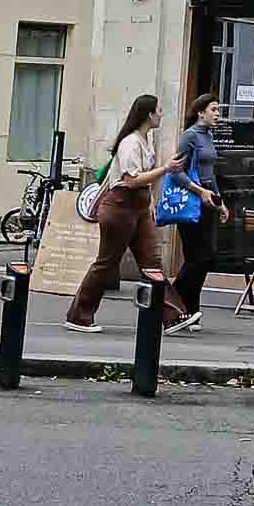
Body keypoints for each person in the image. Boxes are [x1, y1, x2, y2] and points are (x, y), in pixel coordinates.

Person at [63, 93, 187, 334]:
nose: (161, 115)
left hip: (138, 206)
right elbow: (131, 180)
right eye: (159, 111)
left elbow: (143, 182)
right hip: (120, 206)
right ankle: (78, 315)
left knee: (151, 262)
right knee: (107, 263)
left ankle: (172, 315)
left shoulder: (145, 140)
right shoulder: (130, 142)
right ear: (149, 114)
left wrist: (149, 203)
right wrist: (166, 169)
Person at [163, 91, 226, 334]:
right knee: (199, 257)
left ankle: (189, 311)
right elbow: (175, 171)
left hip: (207, 203)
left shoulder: (208, 136)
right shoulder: (190, 136)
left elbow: (210, 174)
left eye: (218, 110)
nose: (217, 114)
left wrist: (220, 203)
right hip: (192, 203)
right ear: (201, 112)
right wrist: (199, 191)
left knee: (202, 258)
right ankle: (170, 304)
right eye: (213, 110)